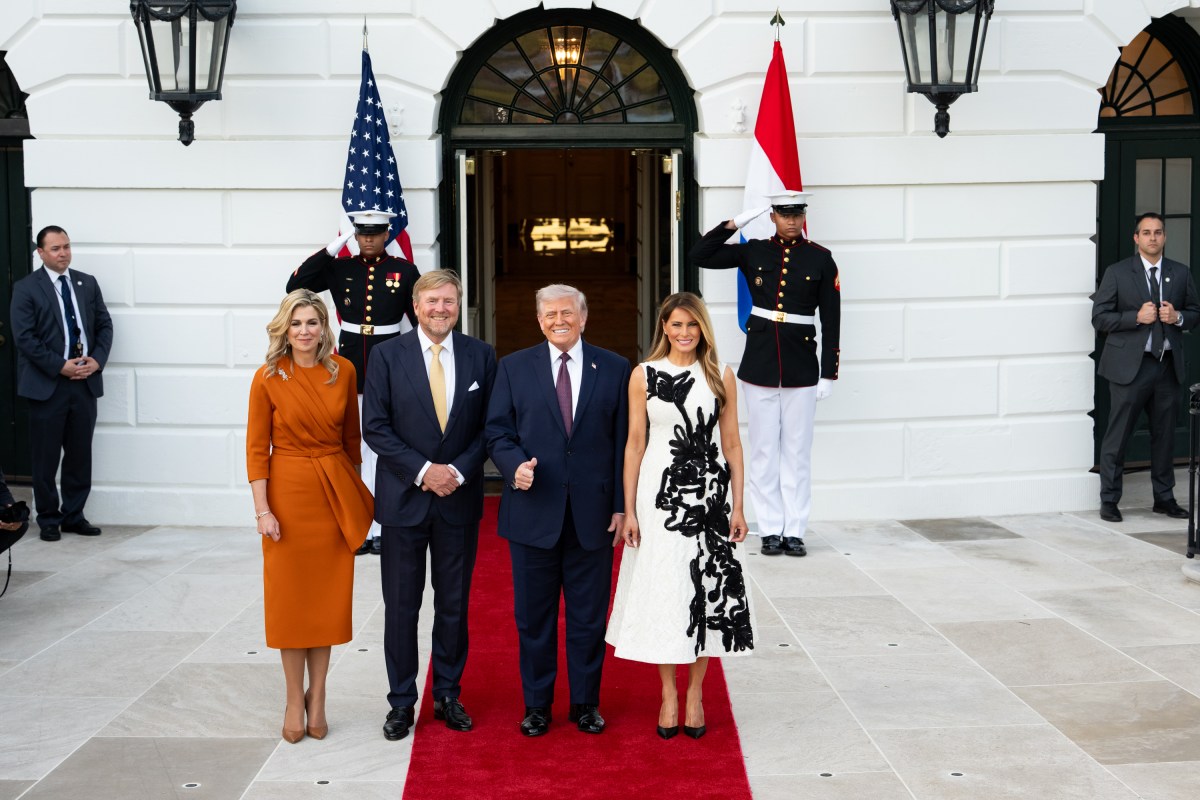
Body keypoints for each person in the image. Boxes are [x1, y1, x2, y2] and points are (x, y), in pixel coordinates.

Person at [606, 292, 756, 740]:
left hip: (711, 500)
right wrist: (629, 509)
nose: (684, 333)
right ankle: (668, 693)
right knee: (668, 590)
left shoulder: (720, 376)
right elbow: (635, 443)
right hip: (660, 497)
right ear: (664, 328)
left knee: (707, 593)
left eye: (692, 325)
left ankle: (696, 694)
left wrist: (739, 506)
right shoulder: (644, 375)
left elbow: (732, 445)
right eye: (676, 325)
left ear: (702, 328)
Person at [486, 284, 630, 737]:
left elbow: (626, 443)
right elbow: (497, 433)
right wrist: (513, 468)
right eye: (549, 314)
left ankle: (586, 704)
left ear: (583, 318)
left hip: (594, 517)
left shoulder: (615, 367)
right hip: (533, 512)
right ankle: (537, 707)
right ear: (539, 320)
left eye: (566, 312)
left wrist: (623, 507)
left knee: (588, 619)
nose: (558, 320)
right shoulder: (512, 368)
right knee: (534, 619)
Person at [362, 270, 497, 741]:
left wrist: (456, 471)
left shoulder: (481, 355)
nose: (441, 309)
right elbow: (375, 427)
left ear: (458, 305)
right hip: (404, 501)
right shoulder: (385, 356)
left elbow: (492, 426)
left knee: (454, 605)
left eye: (449, 301)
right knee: (401, 606)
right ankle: (401, 701)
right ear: (415, 307)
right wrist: (425, 471)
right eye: (433, 301)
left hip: (458, 500)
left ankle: (448, 694)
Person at [246, 289, 374, 743]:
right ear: (285, 328)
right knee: (290, 603)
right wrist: (263, 510)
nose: (304, 331)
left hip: (332, 493)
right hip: (287, 495)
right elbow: (257, 451)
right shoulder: (267, 377)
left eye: (312, 323)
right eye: (296, 323)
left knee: (324, 602)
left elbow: (352, 445)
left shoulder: (344, 373)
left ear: (324, 327)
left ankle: (317, 697)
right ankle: (290, 698)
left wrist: (353, 501)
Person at [689, 191, 840, 558]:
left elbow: (832, 318)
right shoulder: (754, 251)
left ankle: (795, 530)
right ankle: (770, 528)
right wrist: (736, 222)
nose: (791, 221)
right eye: (783, 215)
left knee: (797, 452)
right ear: (772, 216)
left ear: (804, 217)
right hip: (759, 366)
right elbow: (700, 255)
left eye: (797, 215)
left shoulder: (821, 259)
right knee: (763, 451)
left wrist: (828, 372)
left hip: (802, 368)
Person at [287, 209, 420, 555]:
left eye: (375, 234)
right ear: (355, 236)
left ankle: (380, 524)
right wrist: (334, 246)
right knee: (354, 448)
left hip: (390, 363)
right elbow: (295, 286)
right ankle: (360, 523)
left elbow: (420, 320)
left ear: (387, 234)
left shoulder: (403, 271)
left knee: (382, 447)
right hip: (348, 364)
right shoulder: (340, 267)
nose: (369, 240)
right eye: (362, 234)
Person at [1093, 211, 1200, 522]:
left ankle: (1164, 498)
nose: (1153, 237)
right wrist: (1134, 318)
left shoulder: (1180, 273)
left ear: (1164, 237)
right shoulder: (1118, 273)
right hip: (1130, 368)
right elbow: (1099, 318)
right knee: (1118, 435)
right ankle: (1110, 500)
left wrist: (1177, 317)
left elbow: (1194, 312)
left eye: (1158, 232)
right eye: (1147, 232)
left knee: (1164, 436)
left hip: (1166, 367)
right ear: (1136, 238)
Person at [10, 225, 113, 542]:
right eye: (55, 248)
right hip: (47, 385)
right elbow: (25, 338)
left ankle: (74, 515)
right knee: (46, 457)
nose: (63, 253)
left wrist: (96, 359)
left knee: (80, 454)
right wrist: (60, 366)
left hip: (84, 383)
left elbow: (104, 325)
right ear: (40, 253)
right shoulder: (27, 288)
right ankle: (49, 518)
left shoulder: (86, 283)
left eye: (66, 246)